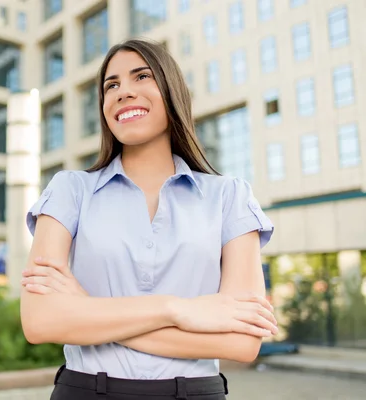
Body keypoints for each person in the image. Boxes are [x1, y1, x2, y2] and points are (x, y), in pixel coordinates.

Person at [19, 38, 276, 400]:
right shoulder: (69, 190)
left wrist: (86, 310)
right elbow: (40, 321)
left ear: (171, 91)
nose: (123, 92)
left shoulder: (229, 197)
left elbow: (242, 342)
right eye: (112, 85)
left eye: (141, 76)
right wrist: (178, 310)